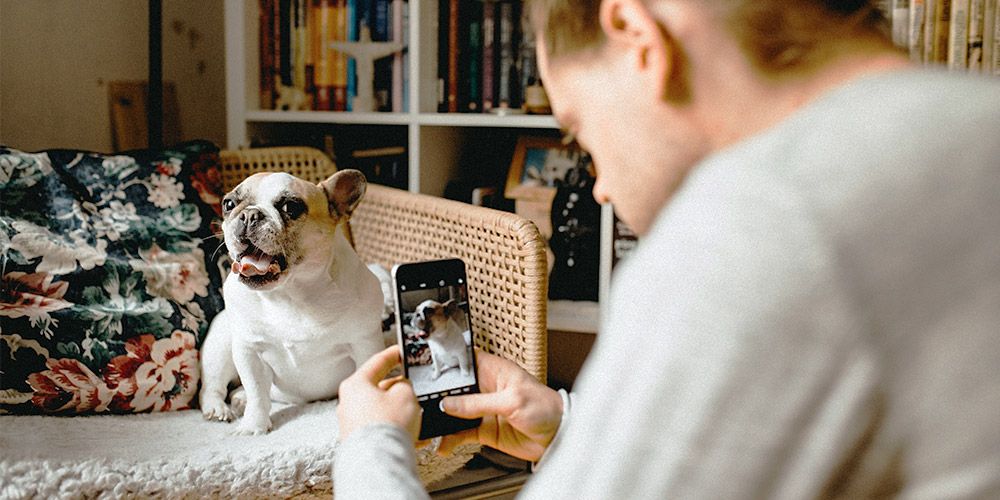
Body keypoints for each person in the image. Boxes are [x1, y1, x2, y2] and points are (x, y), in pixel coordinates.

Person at [334, 0, 1000, 497]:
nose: (598, 188)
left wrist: (369, 449)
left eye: (580, 135)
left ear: (637, 38)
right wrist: (575, 428)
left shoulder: (759, 218)